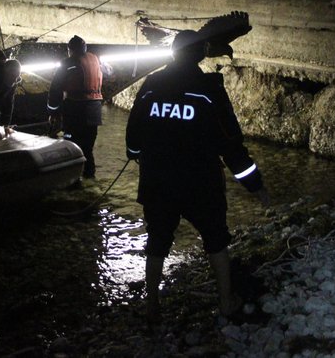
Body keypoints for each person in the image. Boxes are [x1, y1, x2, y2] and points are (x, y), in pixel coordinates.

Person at [125, 29, 270, 322]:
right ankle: (226, 301)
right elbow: (230, 143)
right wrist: (256, 187)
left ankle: (151, 305)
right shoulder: (208, 89)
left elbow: (133, 136)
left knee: (157, 240)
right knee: (215, 238)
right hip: (199, 182)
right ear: (202, 52)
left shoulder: (152, 84)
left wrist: (138, 154)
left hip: (158, 181)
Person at [47, 35, 110, 178]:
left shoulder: (67, 62)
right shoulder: (96, 60)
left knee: (71, 144)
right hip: (94, 110)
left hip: (75, 109)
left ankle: (72, 179)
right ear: (85, 48)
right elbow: (109, 72)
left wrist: (53, 112)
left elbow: (55, 89)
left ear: (70, 50)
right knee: (88, 148)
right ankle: (90, 177)